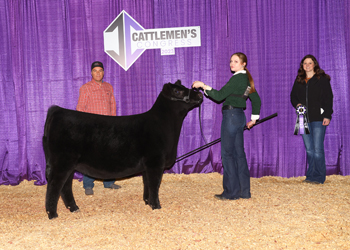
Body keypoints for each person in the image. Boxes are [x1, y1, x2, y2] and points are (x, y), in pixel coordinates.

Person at [192, 52, 261, 200]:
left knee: (228, 155)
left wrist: (202, 85)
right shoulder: (247, 81)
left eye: (236, 61)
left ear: (244, 64)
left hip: (230, 117)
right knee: (239, 155)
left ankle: (231, 192)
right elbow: (256, 100)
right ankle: (244, 191)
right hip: (240, 117)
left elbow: (218, 96)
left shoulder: (237, 79)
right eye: (231, 61)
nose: (232, 63)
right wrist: (253, 119)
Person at [76, 61, 121, 195]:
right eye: (95, 71)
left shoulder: (108, 87)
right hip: (92, 128)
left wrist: (113, 123)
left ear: (103, 72)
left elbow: (112, 106)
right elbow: (80, 109)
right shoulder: (85, 88)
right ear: (91, 73)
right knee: (91, 157)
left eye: (100, 70)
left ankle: (108, 182)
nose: (98, 73)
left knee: (109, 155)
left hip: (108, 128)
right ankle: (88, 185)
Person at [290, 54, 333, 184]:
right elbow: (293, 96)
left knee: (318, 148)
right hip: (303, 119)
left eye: (310, 63)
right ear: (302, 66)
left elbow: (328, 98)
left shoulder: (322, 79)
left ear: (314, 64)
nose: (307, 65)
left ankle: (319, 177)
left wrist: (327, 115)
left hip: (319, 118)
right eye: (305, 63)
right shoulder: (299, 80)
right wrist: (297, 104)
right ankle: (310, 176)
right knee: (309, 149)